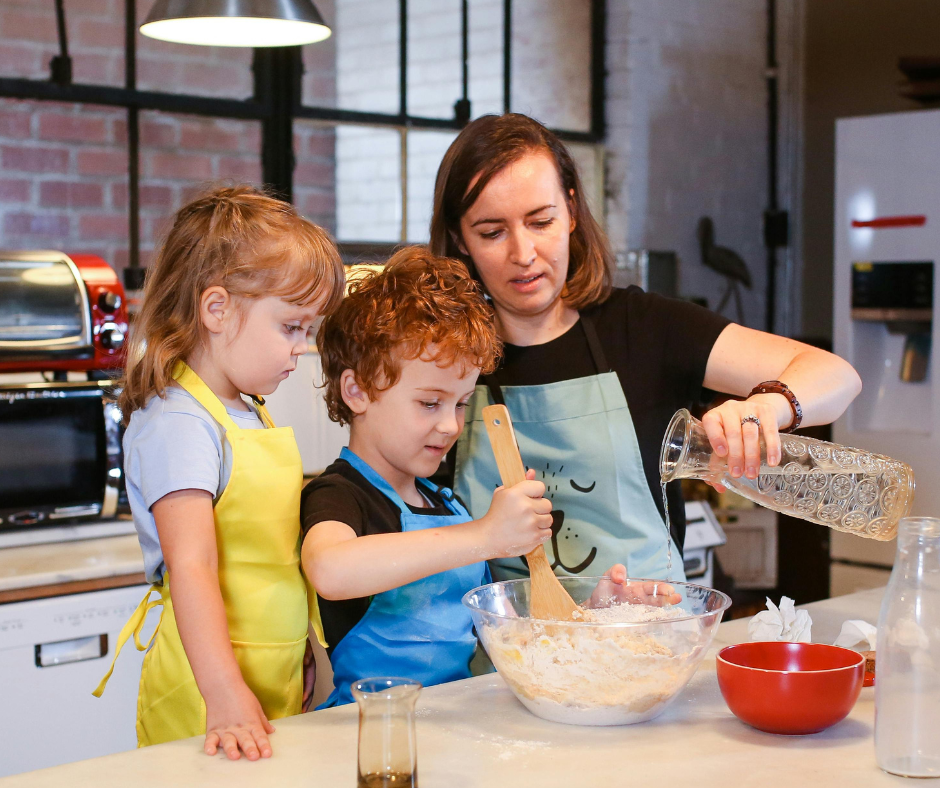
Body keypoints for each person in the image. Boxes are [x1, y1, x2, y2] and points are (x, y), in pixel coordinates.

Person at [430, 113, 862, 583]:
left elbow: (837, 376)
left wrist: (768, 405)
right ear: (460, 239)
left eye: (541, 221)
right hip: (499, 648)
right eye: (492, 232)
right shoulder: (440, 358)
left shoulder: (645, 328)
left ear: (572, 211)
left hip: (644, 641)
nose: (523, 253)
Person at [93, 185, 345, 760]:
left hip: (269, 674)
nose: (300, 349)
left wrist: (299, 645)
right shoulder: (179, 419)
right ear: (217, 309)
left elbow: (272, 556)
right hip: (206, 692)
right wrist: (225, 690)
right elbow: (193, 565)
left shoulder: (246, 408)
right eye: (291, 327)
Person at [300, 246, 553, 707]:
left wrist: (588, 608)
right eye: (429, 402)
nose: (451, 426)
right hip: (364, 733)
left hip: (451, 723)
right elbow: (331, 570)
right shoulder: (338, 494)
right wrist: (484, 536)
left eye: (461, 403)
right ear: (357, 391)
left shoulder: (444, 503)